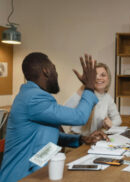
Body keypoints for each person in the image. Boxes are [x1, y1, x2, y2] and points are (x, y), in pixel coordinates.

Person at [0, 53, 109, 182]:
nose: (57, 74)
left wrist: (81, 139)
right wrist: (89, 86)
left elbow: (48, 135)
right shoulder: (34, 99)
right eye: (55, 69)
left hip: (37, 174)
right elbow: (79, 117)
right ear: (46, 71)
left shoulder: (32, 95)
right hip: (21, 177)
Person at [65, 62, 121, 135]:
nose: (98, 78)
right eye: (95, 75)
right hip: (76, 138)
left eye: (103, 75)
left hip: (93, 140)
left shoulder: (107, 98)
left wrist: (111, 124)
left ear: (108, 79)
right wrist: (85, 85)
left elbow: (117, 119)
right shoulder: (85, 93)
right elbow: (66, 109)